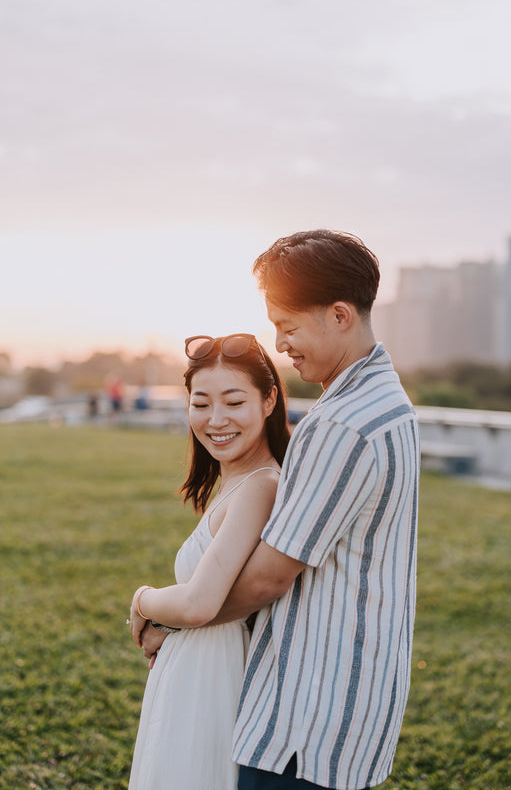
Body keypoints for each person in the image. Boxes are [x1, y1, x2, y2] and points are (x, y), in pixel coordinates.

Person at [139, 229, 419, 790]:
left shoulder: (340, 424)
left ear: (339, 315)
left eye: (288, 327)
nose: (282, 344)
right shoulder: (385, 403)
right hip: (343, 695)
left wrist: (155, 611)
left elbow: (267, 579)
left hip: (308, 709)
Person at [128, 333, 290, 790]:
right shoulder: (237, 482)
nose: (216, 420)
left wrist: (143, 602)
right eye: (201, 404)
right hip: (195, 674)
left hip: (212, 684)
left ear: (269, 400)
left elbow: (200, 603)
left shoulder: (262, 485)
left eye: (234, 402)